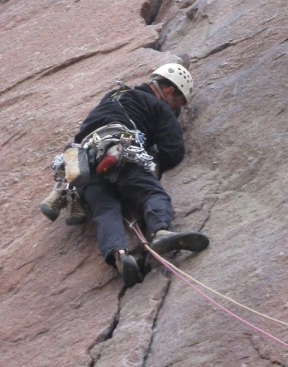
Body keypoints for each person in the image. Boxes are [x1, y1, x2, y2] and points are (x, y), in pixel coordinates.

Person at [52, 63, 208, 287]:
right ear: (169, 90)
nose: (176, 110)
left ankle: (119, 255)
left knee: (105, 210)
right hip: (123, 152)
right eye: (177, 103)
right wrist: (153, 160)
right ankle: (161, 231)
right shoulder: (157, 105)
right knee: (150, 193)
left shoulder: (112, 97)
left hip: (83, 163)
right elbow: (174, 151)